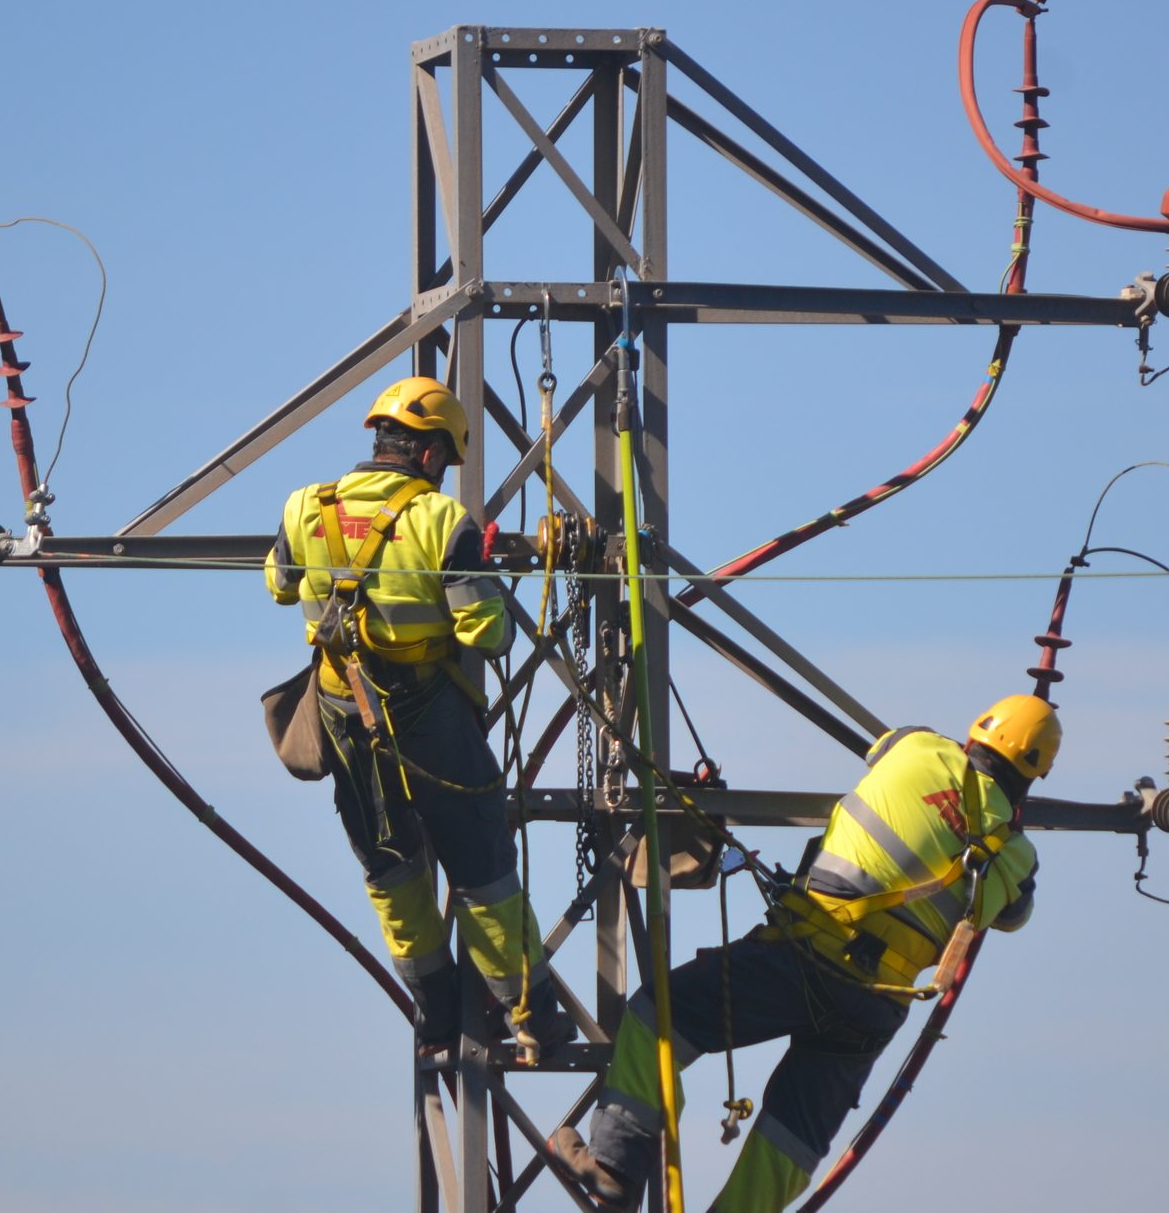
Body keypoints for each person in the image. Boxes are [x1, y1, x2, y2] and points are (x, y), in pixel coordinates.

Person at [550, 695, 1059, 1212]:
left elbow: (883, 749)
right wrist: (1003, 821)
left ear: (974, 737)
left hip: (806, 955)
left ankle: (614, 1168)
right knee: (792, 1138)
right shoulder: (1016, 860)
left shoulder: (918, 748)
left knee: (658, 1017)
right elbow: (1013, 917)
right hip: (875, 1010)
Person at [264, 375, 572, 1060]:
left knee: (390, 866)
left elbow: (280, 585)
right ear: (431, 455)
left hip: (346, 715)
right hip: (427, 718)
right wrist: (480, 573)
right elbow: (486, 635)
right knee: (480, 863)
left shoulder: (303, 508)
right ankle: (527, 1012)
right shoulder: (441, 523)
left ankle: (434, 1010)